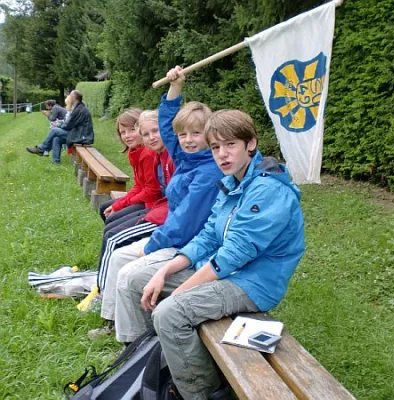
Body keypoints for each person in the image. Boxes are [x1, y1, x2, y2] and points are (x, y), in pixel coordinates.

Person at [114, 109, 305, 400]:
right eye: (215, 147)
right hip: (224, 272)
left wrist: (181, 291)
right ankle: (149, 360)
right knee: (141, 277)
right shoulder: (231, 182)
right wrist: (164, 272)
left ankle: (200, 392)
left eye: (230, 145)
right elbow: (207, 236)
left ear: (250, 143)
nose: (222, 154)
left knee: (169, 312)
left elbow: (233, 255)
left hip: (252, 283)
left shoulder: (267, 190)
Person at [94, 66, 223, 333]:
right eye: (183, 135)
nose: (187, 140)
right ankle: (113, 321)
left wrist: (153, 243)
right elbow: (167, 125)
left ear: (209, 136)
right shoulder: (186, 156)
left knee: (127, 266)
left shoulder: (208, 171)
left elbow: (186, 220)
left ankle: (134, 340)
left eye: (196, 134)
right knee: (119, 257)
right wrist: (175, 87)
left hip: (186, 244)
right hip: (173, 235)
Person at [96, 109, 175, 292]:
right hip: (156, 205)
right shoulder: (137, 152)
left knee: (112, 233)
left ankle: (102, 287)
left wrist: (121, 204)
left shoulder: (149, 153)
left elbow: (152, 190)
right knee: (108, 215)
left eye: (131, 130)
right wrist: (119, 203)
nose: (127, 136)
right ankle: (108, 273)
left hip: (154, 205)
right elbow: (139, 185)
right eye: (122, 132)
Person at [26, 90, 94, 164]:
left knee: (54, 130)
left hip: (82, 137)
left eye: (70, 96)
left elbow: (68, 125)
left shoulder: (79, 109)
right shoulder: (79, 107)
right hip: (78, 134)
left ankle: (41, 148)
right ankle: (56, 161)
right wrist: (62, 125)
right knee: (56, 138)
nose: (68, 97)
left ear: (74, 98)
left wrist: (60, 126)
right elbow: (69, 124)